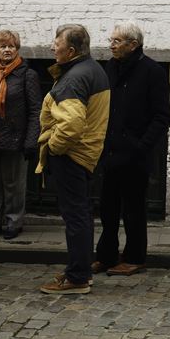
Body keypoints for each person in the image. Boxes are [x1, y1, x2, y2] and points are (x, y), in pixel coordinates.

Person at [37, 24, 109, 295]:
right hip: (84, 153)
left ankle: (77, 277)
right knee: (82, 216)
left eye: (57, 42)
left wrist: (54, 148)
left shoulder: (74, 78)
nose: (53, 46)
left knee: (76, 217)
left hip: (71, 155)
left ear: (70, 50)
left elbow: (71, 124)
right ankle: (81, 270)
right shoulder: (92, 69)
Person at [94, 22, 170, 277]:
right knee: (108, 208)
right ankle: (106, 255)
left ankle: (135, 257)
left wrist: (142, 146)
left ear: (133, 44)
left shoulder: (152, 71)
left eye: (117, 41)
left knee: (134, 210)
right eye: (111, 40)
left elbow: (161, 116)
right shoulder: (111, 67)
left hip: (135, 154)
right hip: (111, 150)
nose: (111, 45)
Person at [0, 30, 41, 240]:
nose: (7, 50)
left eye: (11, 46)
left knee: (14, 185)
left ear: (17, 49)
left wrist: (31, 141)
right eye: (3, 46)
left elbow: (35, 110)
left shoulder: (28, 75)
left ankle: (13, 222)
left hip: (16, 140)